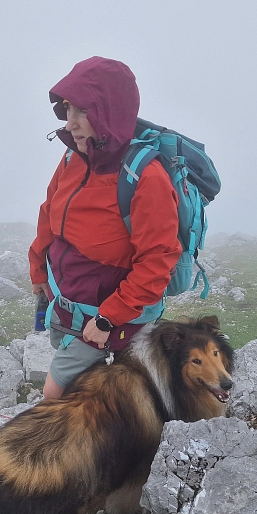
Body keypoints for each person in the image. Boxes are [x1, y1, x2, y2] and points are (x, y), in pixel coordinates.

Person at [29, 57, 181, 399]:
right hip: (68, 302)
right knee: (84, 391)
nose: (71, 123)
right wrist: (38, 269)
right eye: (68, 109)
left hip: (105, 316)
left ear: (109, 112)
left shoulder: (145, 177)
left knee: (54, 395)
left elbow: (157, 262)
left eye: (83, 111)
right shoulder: (74, 156)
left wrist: (107, 319)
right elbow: (49, 213)